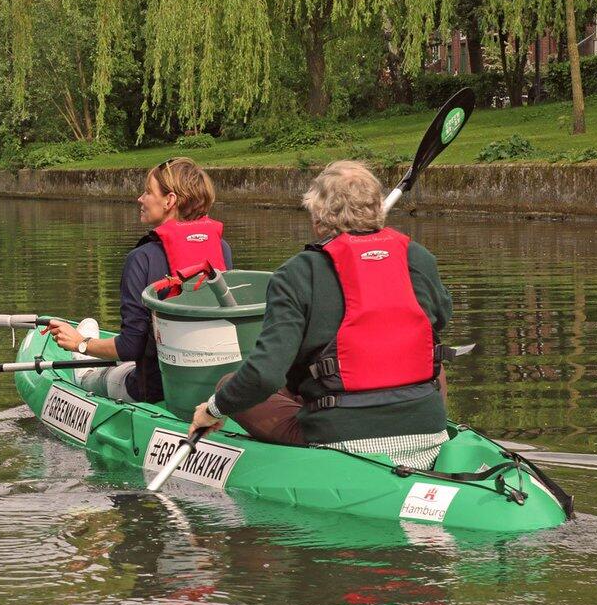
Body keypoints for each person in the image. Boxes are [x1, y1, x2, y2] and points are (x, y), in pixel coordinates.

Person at [189, 160, 453, 469]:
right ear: (377, 210)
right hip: (428, 432)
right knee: (431, 361)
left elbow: (264, 375)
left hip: (341, 440)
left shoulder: (297, 273)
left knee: (229, 383)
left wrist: (214, 409)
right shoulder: (418, 257)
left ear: (318, 219)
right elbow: (441, 318)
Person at [44, 157, 233, 403]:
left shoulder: (141, 259)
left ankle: (83, 362)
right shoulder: (222, 249)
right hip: (211, 387)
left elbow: (131, 348)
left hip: (151, 391)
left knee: (96, 376)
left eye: (147, 192)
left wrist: (81, 344)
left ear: (170, 200)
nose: (140, 199)